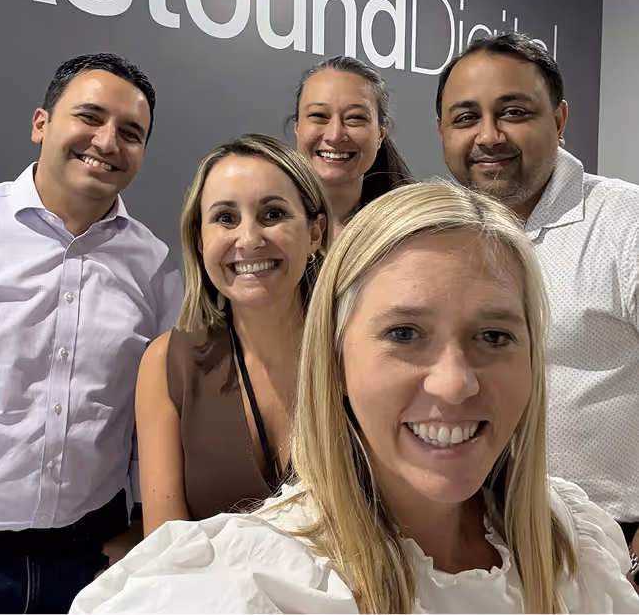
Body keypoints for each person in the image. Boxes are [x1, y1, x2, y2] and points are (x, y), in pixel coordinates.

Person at [71, 181, 637, 614]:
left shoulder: (572, 542)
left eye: (494, 337)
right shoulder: (252, 584)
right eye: (405, 334)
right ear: (335, 360)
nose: (454, 382)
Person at [436, 31, 639, 592]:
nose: (488, 136)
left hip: (611, 549)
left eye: (514, 112)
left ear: (560, 118)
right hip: (471, 548)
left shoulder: (626, 224)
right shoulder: (439, 238)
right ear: (442, 132)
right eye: (465, 117)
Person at [0, 53, 183, 614]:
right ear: (41, 123)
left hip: (91, 558)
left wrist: (143, 525)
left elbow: (152, 416)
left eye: (131, 133)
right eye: (90, 117)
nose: (107, 142)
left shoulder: (153, 267)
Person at [135, 134, 330, 536]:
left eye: (273, 214)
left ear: (315, 233)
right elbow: (165, 551)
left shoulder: (359, 352)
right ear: (198, 238)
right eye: (225, 218)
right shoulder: (166, 364)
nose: (249, 239)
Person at [292, 55, 414, 237]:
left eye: (355, 118)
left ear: (380, 134)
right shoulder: (267, 224)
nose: (335, 136)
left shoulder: (410, 230)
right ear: (298, 126)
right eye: (319, 115)